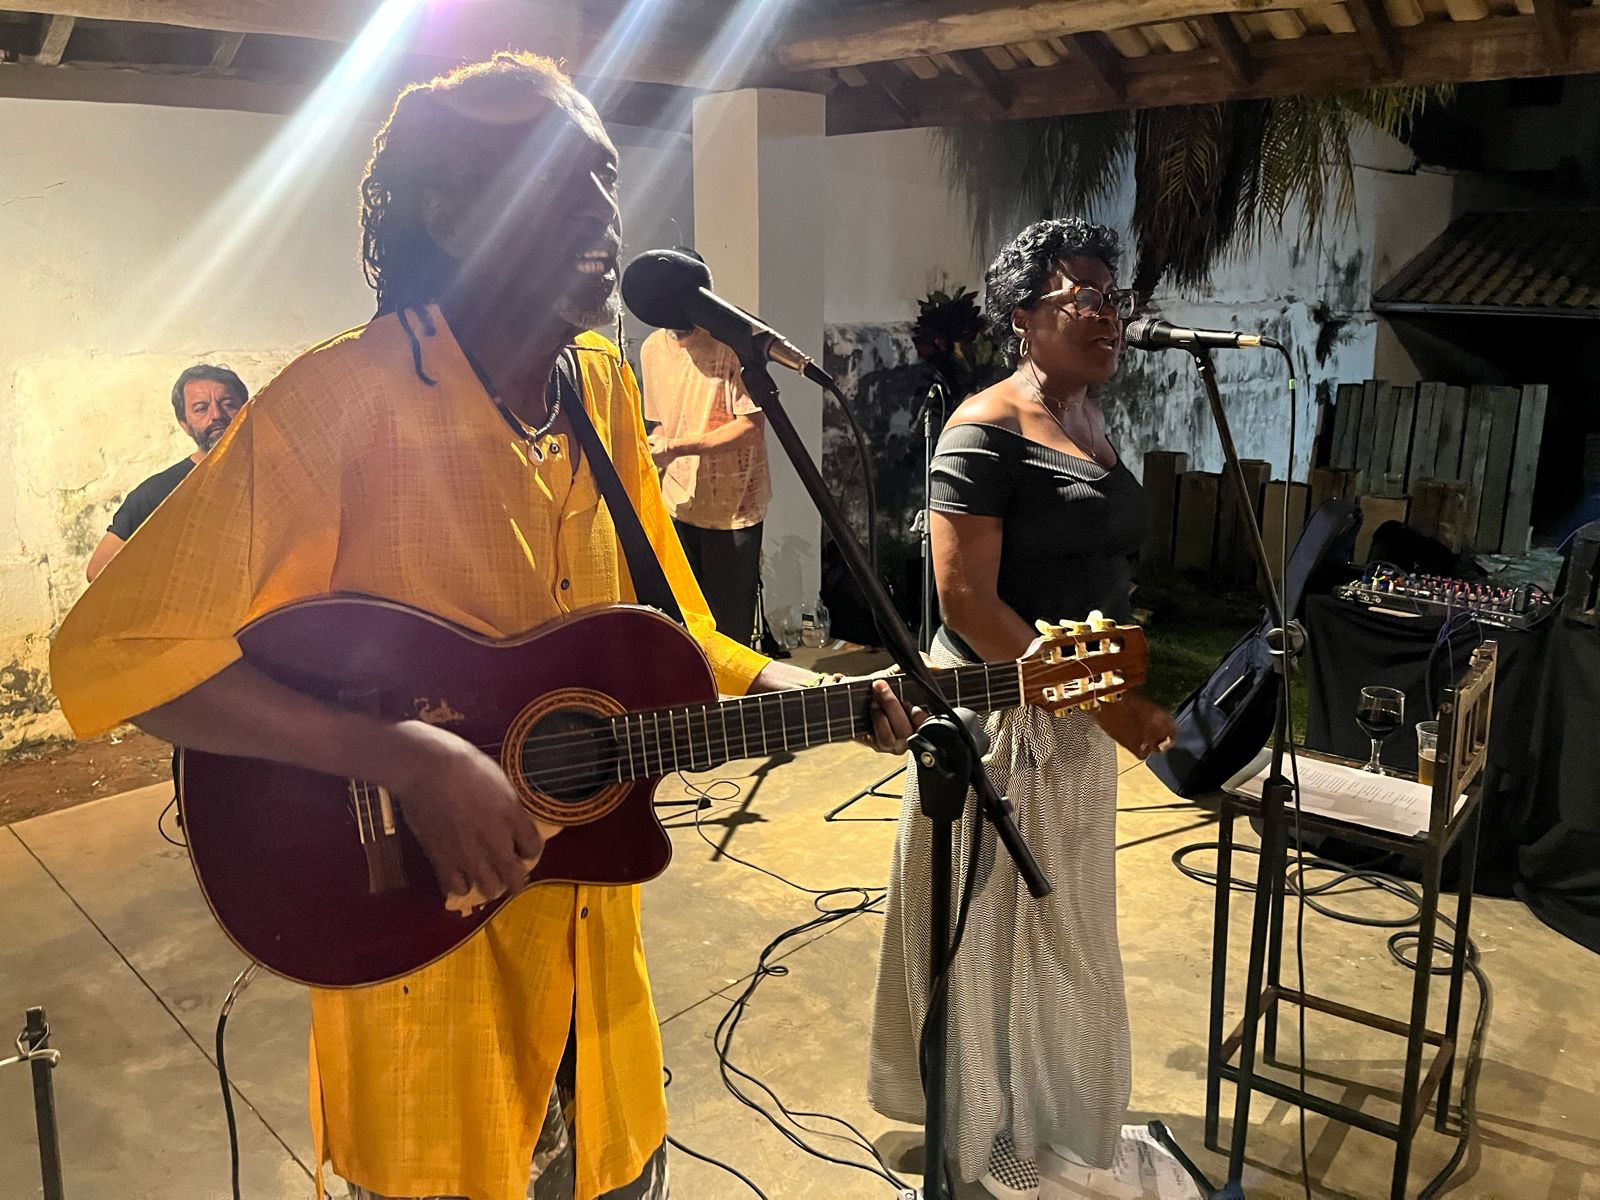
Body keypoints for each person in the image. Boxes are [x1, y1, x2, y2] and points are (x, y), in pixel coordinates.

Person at [50, 52, 917, 1200]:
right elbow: (110, 656)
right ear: (451, 212)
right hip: (420, 966)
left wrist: (785, 690)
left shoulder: (602, 389)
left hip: (593, 981)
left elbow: (670, 625)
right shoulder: (336, 403)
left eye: (603, 176)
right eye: (553, 177)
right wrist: (401, 757)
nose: (600, 209)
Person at [867, 218, 1177, 1199]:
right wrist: (1109, 704)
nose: (1108, 314)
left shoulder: (1088, 419)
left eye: (1113, 296)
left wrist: (1105, 692)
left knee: (1061, 933)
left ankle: (1044, 1120)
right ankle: (984, 1138)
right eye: (1084, 296)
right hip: (1001, 724)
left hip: (1075, 713)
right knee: (993, 939)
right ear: (1022, 318)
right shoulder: (983, 430)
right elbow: (966, 601)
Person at [640, 254, 771, 649]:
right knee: (682, 626)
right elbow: (662, 421)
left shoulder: (730, 345)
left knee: (728, 634)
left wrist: (676, 447)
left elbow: (750, 428)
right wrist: (657, 446)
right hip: (678, 504)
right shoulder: (651, 349)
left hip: (733, 510)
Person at [85, 363, 248, 581]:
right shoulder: (157, 493)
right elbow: (98, 571)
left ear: (246, 410)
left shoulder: (276, 479)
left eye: (228, 404)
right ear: (184, 425)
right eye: (201, 408)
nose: (216, 415)